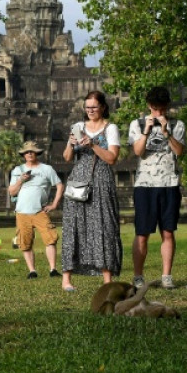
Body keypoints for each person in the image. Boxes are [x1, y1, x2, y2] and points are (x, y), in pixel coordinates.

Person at [60, 91, 123, 292]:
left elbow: (112, 158)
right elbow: (67, 158)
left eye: (94, 107)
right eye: (87, 108)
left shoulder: (110, 128)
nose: (90, 111)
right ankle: (66, 279)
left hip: (102, 179)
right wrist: (71, 144)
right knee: (73, 225)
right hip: (78, 178)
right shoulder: (78, 127)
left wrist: (93, 144)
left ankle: (107, 279)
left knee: (104, 225)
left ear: (103, 107)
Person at [128, 86, 186, 290]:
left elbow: (179, 151)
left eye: (162, 109)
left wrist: (166, 132)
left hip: (169, 183)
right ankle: (138, 276)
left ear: (167, 106)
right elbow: (138, 151)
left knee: (168, 232)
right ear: (148, 106)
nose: (158, 113)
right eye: (154, 108)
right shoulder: (137, 124)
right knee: (142, 233)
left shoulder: (177, 125)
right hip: (145, 185)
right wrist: (146, 130)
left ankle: (166, 276)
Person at [8, 140, 64, 279]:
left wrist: (54, 204)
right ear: (23, 155)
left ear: (37, 153)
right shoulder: (18, 170)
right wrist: (21, 180)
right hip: (22, 212)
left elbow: (59, 185)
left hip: (40, 211)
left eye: (32, 151)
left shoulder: (46, 169)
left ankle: (53, 269)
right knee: (25, 242)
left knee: (50, 238)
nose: (29, 154)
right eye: (27, 152)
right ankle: (32, 271)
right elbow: (12, 192)